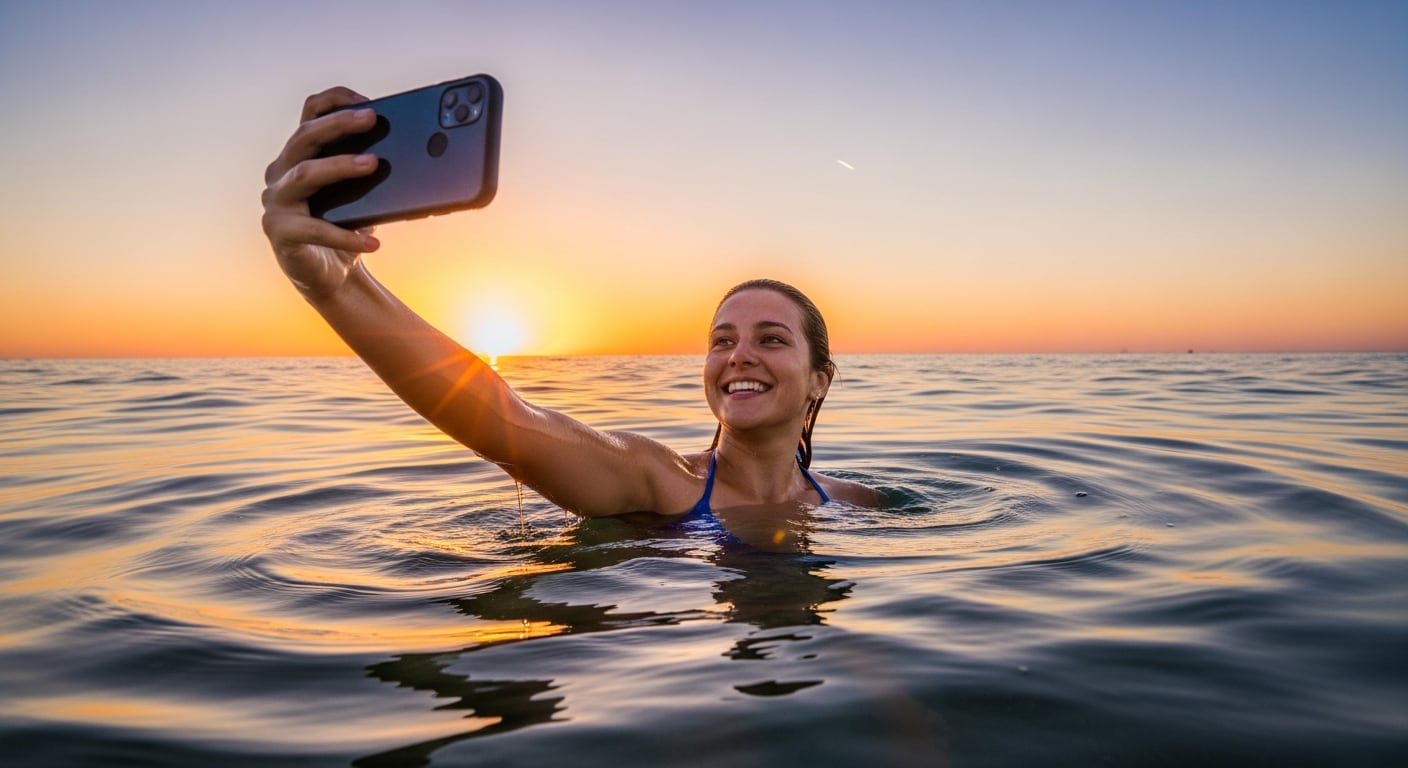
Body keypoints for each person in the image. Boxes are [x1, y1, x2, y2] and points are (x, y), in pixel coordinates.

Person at [261, 87, 882, 518]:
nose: (738, 356)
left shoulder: (858, 505)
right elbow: (506, 420)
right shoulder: (656, 479)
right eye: (722, 341)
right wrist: (339, 287)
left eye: (771, 339)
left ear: (820, 381)